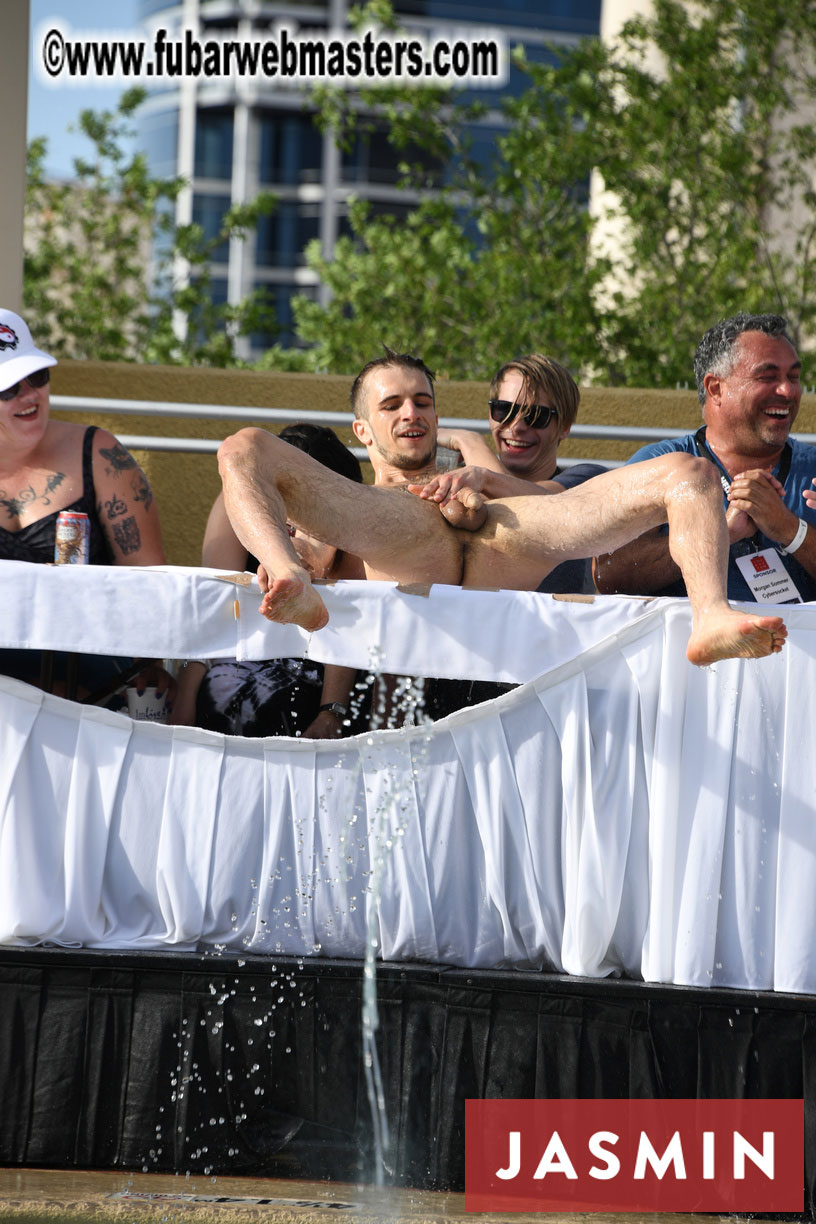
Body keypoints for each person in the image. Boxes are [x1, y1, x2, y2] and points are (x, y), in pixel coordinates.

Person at [216, 350, 788, 668]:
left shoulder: (508, 479)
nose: (411, 413)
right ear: (363, 429)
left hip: (506, 541)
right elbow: (307, 527)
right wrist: (289, 557)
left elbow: (558, 508)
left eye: (423, 401)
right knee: (242, 445)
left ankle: (710, 616)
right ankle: (287, 575)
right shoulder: (365, 507)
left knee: (690, 472)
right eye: (392, 405)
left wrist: (475, 479)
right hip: (407, 532)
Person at [0, 308, 169, 697]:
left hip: (87, 671)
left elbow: (150, 582)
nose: (29, 395)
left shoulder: (98, 453)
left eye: (37, 377)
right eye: (9, 387)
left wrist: (153, 668)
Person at [595, 313, 816, 604]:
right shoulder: (660, 465)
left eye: (794, 377)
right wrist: (720, 534)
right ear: (716, 388)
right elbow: (609, 575)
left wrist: (790, 529)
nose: (787, 390)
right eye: (768, 377)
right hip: (691, 647)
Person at [170, 424, 366, 737]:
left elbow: (348, 623)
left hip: (323, 658)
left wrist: (332, 710)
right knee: (219, 694)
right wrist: (183, 698)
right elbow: (214, 607)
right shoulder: (239, 500)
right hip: (241, 654)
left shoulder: (346, 519)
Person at [416, 353, 607, 595]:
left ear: (565, 426)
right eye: (503, 410)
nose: (516, 427)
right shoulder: (464, 483)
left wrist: (470, 441)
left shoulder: (586, 482)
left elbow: (540, 507)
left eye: (536, 416)